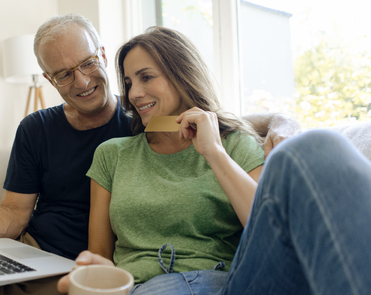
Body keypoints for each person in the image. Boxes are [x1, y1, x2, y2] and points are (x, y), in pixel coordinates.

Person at [0, 14, 299, 295]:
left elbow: (214, 125)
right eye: (65, 74)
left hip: (82, 268)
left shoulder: (142, 117)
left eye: (87, 63)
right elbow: (14, 213)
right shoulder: (40, 129)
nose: (82, 81)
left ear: (102, 56)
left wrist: (284, 123)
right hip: (36, 251)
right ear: (50, 79)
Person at [57, 26, 371, 294]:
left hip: (234, 282)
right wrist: (91, 275)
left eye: (146, 77)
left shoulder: (235, 145)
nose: (134, 93)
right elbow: (99, 258)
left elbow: (269, 229)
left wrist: (214, 152)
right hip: (148, 286)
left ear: (181, 76)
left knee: (321, 144)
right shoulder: (112, 154)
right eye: (128, 83)